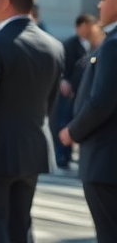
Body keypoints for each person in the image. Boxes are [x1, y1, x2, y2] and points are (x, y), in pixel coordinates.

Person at [0, 0, 65, 243]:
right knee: (20, 228)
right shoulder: (53, 46)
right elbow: (50, 103)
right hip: (32, 150)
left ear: (6, 2)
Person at [60, 0, 117, 243]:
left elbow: (101, 101)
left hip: (106, 164)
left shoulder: (113, 44)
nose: (99, 5)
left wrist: (72, 131)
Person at [56, 14, 98, 171]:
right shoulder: (70, 44)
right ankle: (62, 155)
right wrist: (63, 81)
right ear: (80, 26)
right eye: (88, 24)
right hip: (69, 91)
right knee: (65, 121)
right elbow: (62, 66)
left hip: (82, 91)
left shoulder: (92, 44)